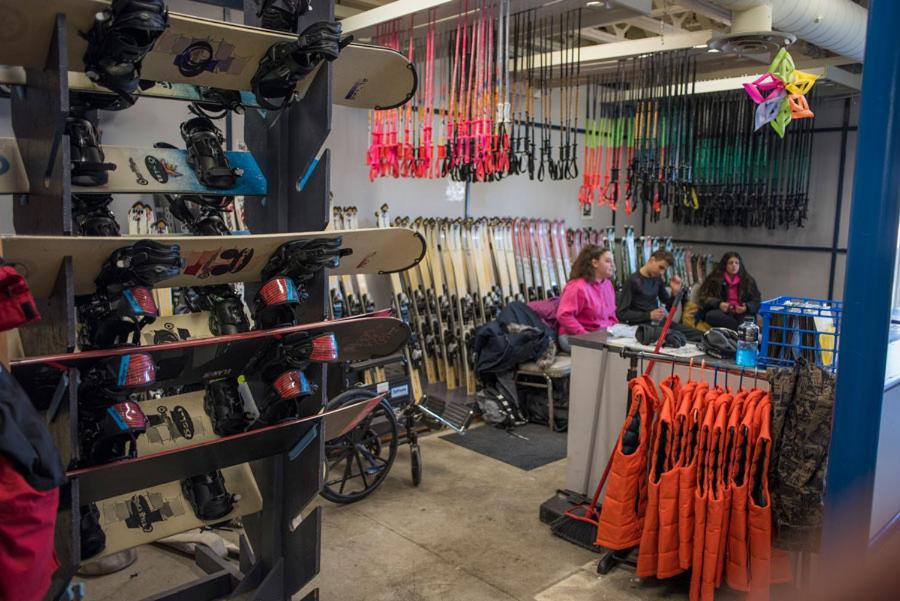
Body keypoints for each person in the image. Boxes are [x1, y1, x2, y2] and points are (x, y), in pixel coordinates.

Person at [616, 249, 700, 339]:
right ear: (652, 260)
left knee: (698, 334)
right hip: (643, 327)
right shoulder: (632, 281)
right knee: (679, 337)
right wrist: (648, 315)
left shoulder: (657, 279)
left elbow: (668, 306)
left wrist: (674, 293)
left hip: (658, 323)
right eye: (661, 267)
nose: (662, 272)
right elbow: (622, 313)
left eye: (664, 269)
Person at [555, 244, 617, 352]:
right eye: (608, 261)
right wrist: (585, 335)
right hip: (573, 336)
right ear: (595, 263)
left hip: (600, 334)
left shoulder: (607, 285)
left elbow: (611, 316)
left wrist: (616, 330)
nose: (613, 265)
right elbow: (563, 315)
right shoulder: (577, 287)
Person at [697, 251, 762, 330]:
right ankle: (737, 330)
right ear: (725, 265)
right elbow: (703, 298)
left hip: (742, 313)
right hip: (722, 312)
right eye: (730, 263)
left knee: (747, 321)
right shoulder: (714, 279)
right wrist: (719, 304)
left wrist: (746, 307)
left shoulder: (748, 281)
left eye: (736, 263)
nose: (734, 265)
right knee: (711, 316)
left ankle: (737, 331)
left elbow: (756, 300)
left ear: (740, 265)